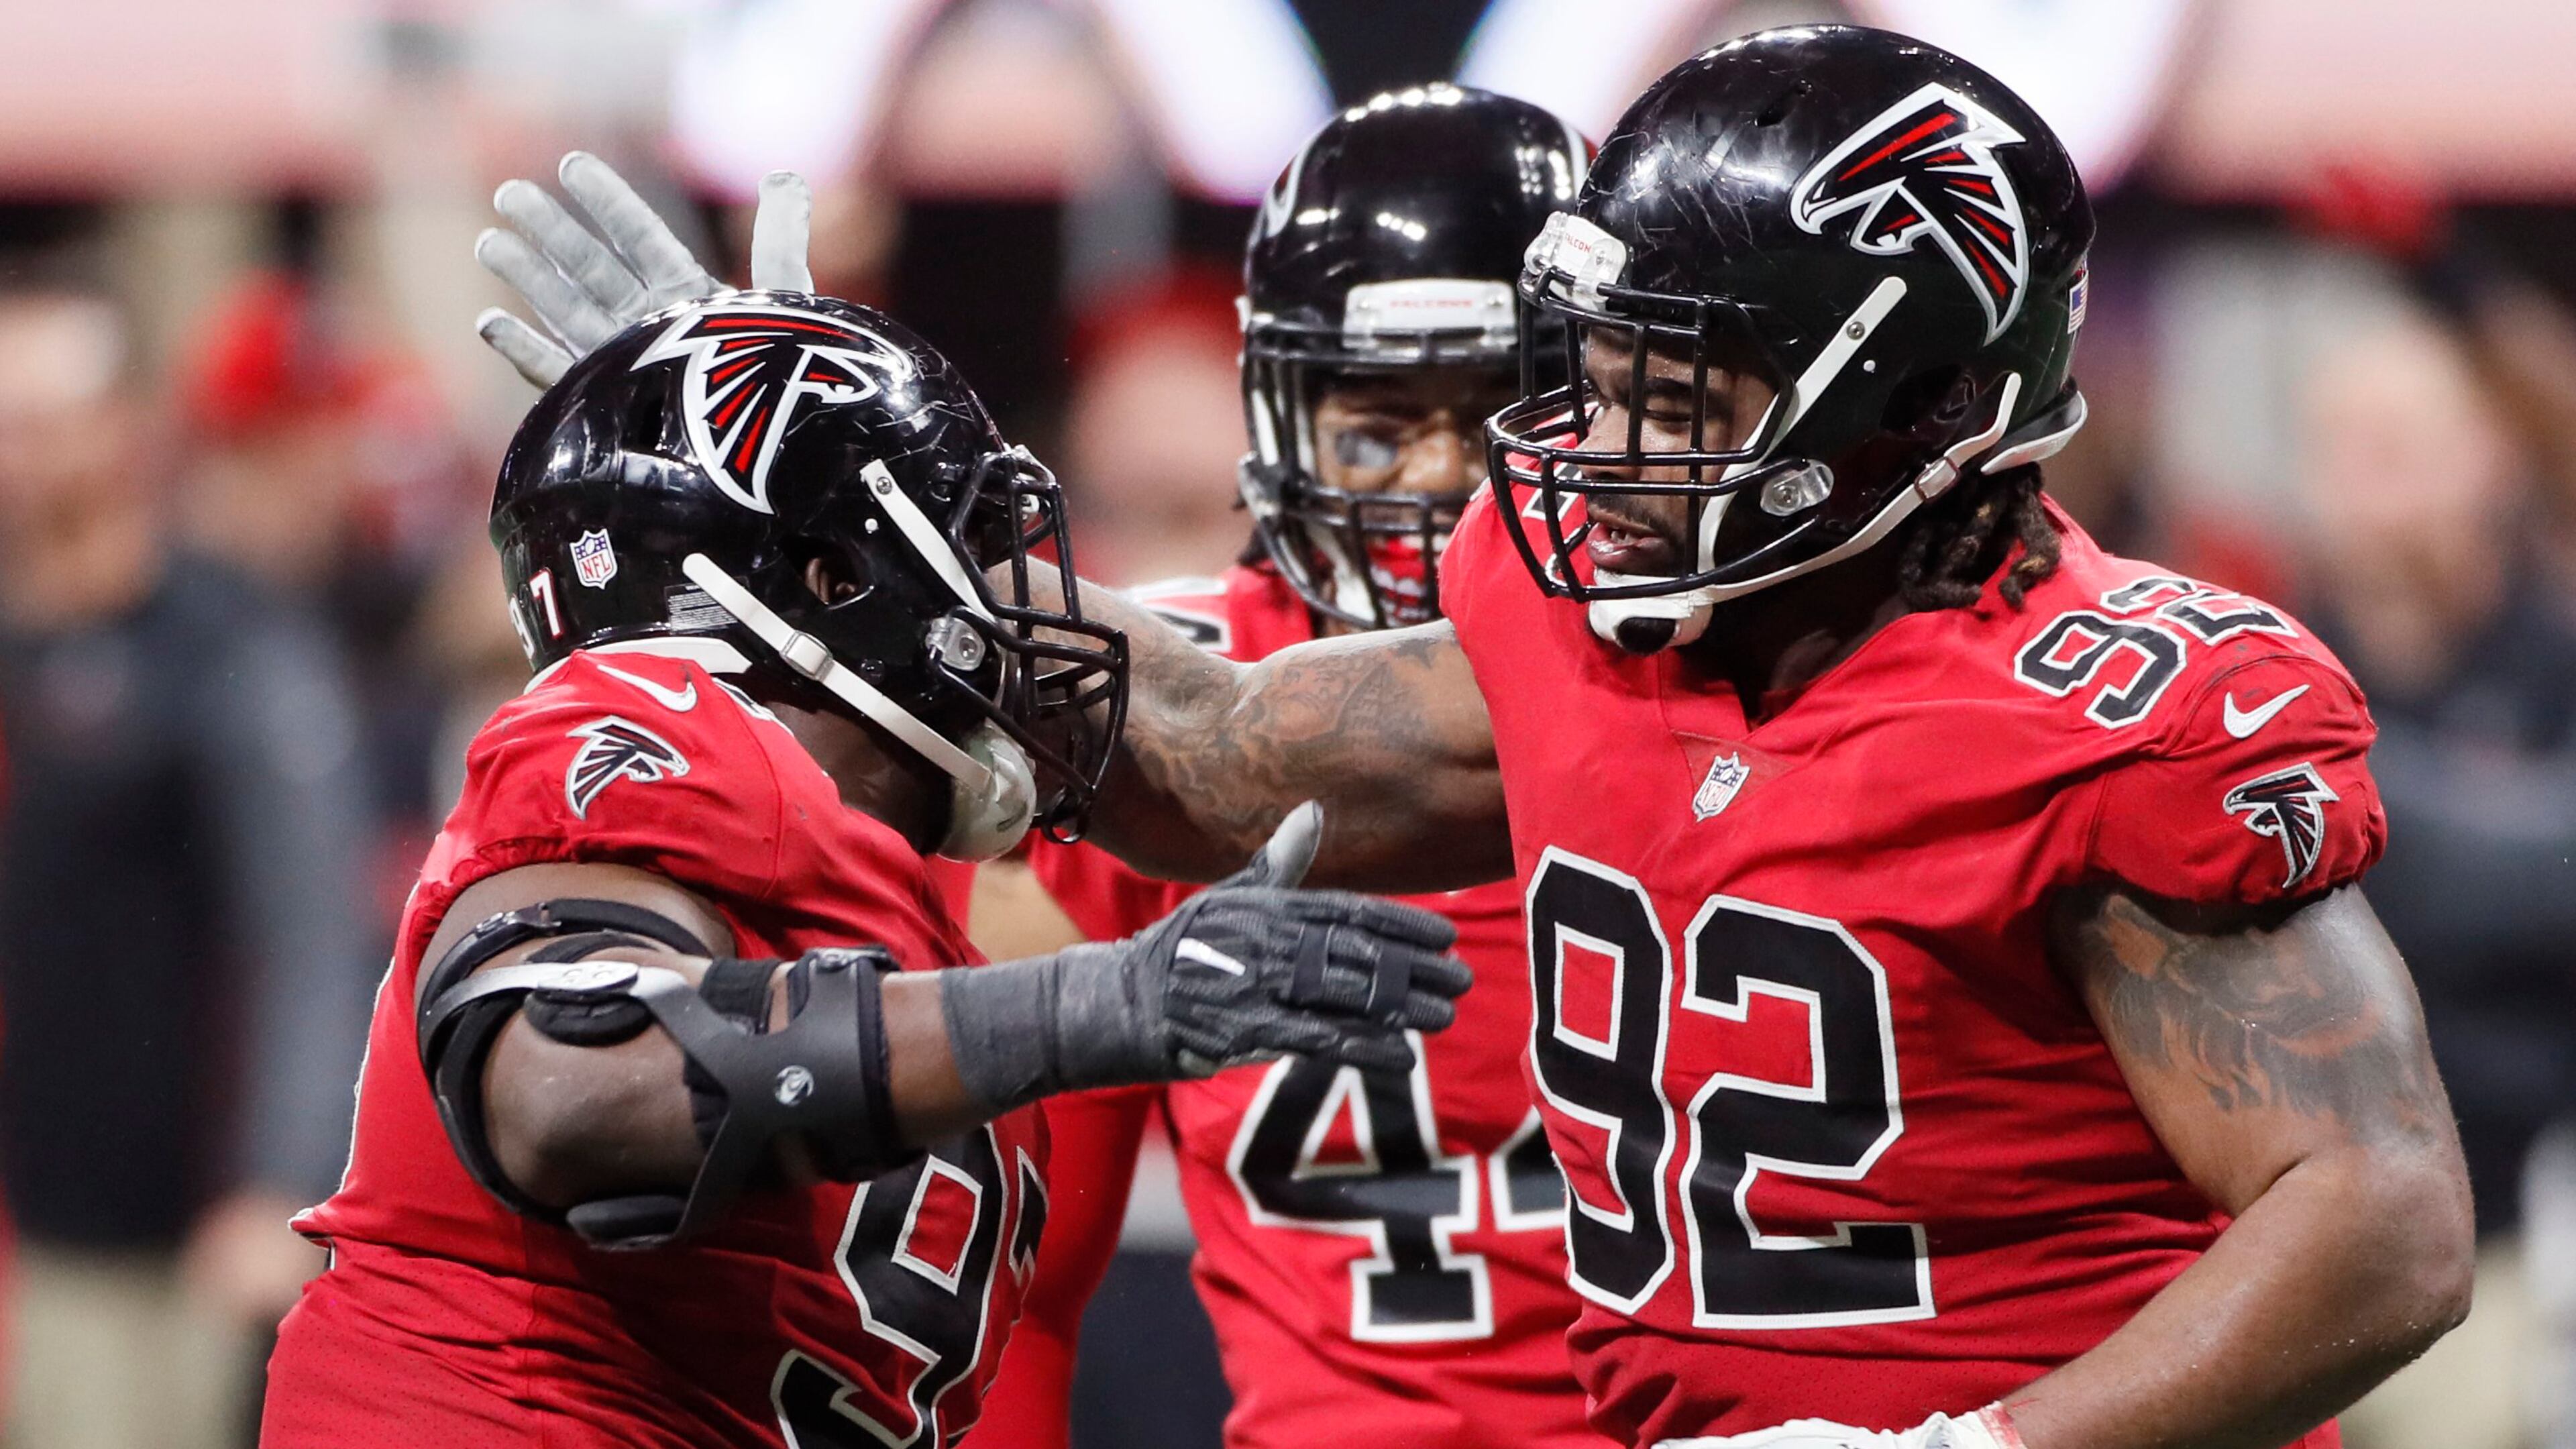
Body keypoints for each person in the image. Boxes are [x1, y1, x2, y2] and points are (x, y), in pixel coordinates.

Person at [480, 32, 2476, 1446]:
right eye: (1596, 379)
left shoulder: (2113, 719)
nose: (1589, 453)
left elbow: (2380, 1221)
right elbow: (1226, 754)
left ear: (1924, 409)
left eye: (1678, 398)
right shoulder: (1586, 621)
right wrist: (801, 494)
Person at [261, 268, 1468, 1445]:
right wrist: (1098, 1003)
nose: (1019, 609)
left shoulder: (873, 901)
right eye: (969, 546)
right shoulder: (663, 718)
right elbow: (568, 1090)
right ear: (837, 580)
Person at [964, 85, 1607, 1449]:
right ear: (1277, 419)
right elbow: (1009, 1288)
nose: (1439, 487)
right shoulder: (1126, 722)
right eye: (1377, 428)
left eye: (1497, 418)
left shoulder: (1742, 688)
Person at [0, 282, 374, 1449]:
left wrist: (280, 1178)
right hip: (46, 1222)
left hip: (190, 1235)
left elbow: (315, 928)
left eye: (43, 422)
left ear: (122, 431)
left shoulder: (227, 645)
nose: (19, 458)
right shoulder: (21, 643)